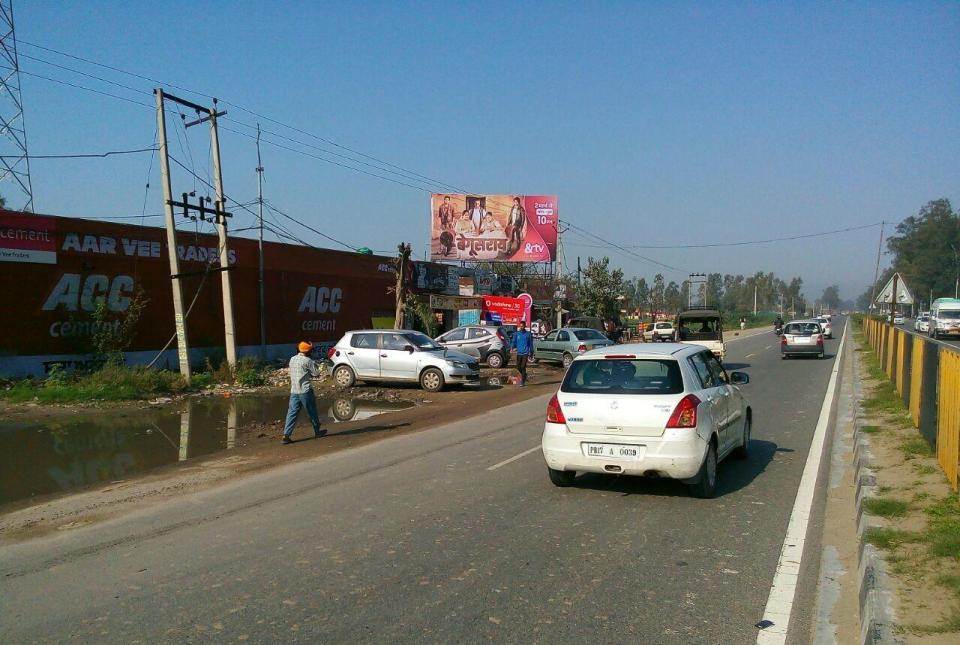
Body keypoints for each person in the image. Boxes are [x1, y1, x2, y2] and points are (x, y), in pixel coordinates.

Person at [282, 341, 327, 444]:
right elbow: (316, 374)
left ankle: (286, 435)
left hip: (294, 391)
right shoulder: (308, 361)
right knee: (312, 412)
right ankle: (317, 431)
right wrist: (319, 366)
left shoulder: (292, 359)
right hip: (305, 391)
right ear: (308, 351)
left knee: (292, 413)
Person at [510, 320, 534, 386]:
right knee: (518, 367)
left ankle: (522, 381)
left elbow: (531, 344)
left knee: (523, 366)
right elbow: (514, 342)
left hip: (525, 353)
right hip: (519, 353)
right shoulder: (517, 334)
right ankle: (524, 375)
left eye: (522, 326)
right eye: (520, 326)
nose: (521, 327)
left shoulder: (528, 334)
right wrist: (512, 348)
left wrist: (531, 352)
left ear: (525, 326)